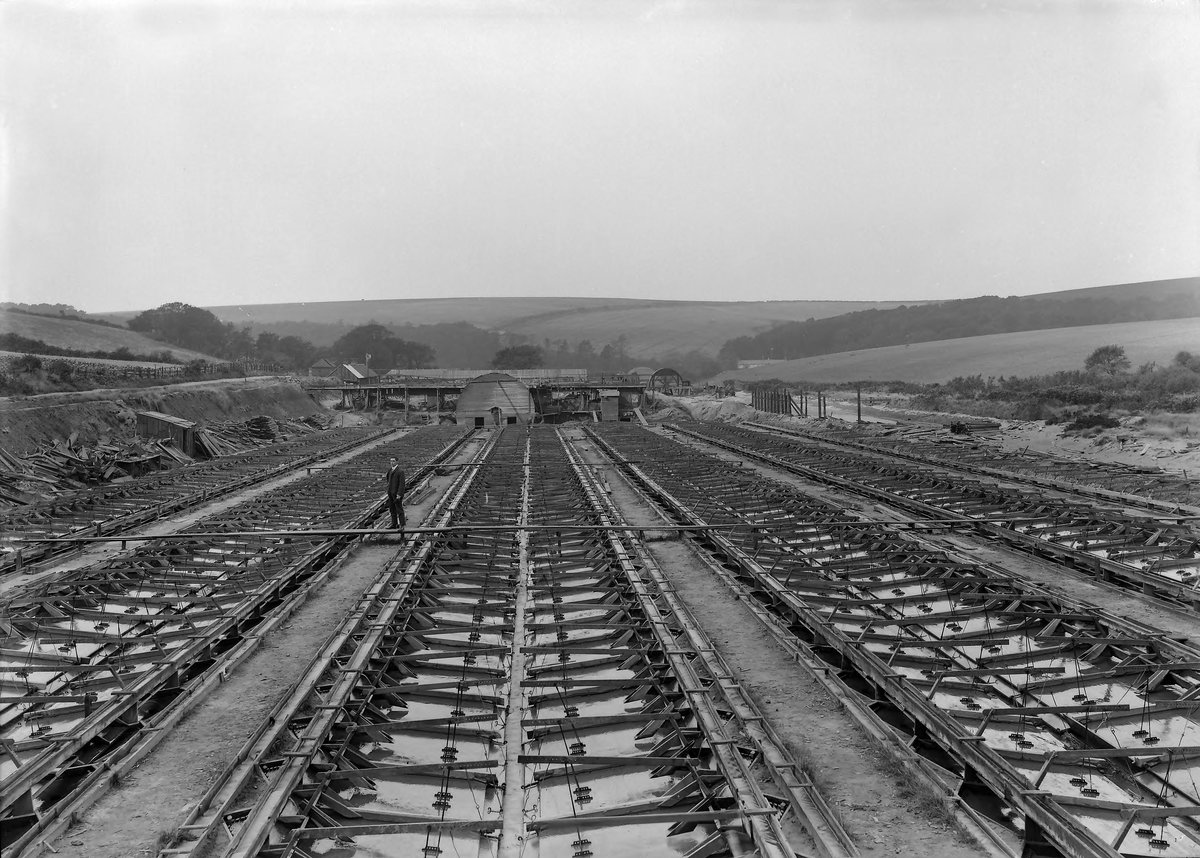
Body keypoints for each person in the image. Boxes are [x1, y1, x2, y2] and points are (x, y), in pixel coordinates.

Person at [384, 456, 406, 531]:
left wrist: (399, 494)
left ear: (397, 462)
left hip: (397, 494)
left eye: (393, 461)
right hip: (391, 493)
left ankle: (402, 525)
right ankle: (394, 524)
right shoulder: (390, 470)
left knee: (399, 509)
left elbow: (402, 484)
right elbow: (388, 480)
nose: (392, 462)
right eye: (391, 461)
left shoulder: (400, 471)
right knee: (392, 509)